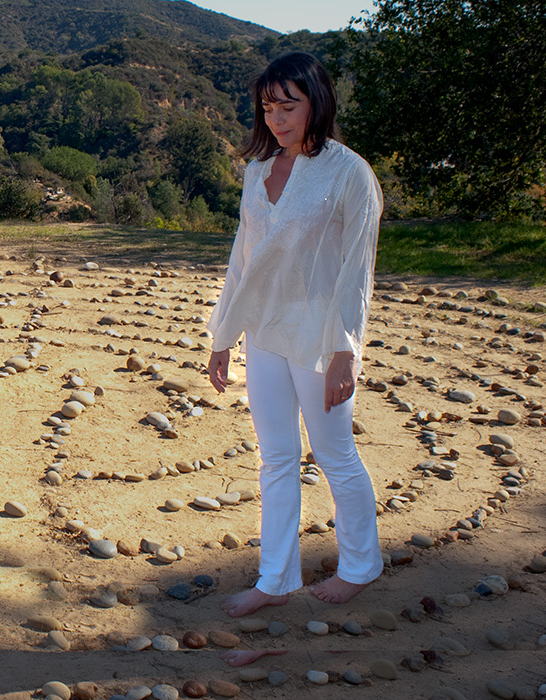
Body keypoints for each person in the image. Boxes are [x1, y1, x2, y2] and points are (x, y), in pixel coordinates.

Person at [206, 52, 385, 620]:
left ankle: (360, 566)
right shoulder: (258, 171)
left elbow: (358, 269)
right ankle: (275, 578)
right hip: (262, 331)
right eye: (268, 106)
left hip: (319, 335)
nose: (277, 118)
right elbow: (243, 259)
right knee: (276, 458)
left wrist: (344, 352)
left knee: (336, 454)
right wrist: (221, 336)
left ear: (317, 102)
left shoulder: (349, 172)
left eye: (290, 105)